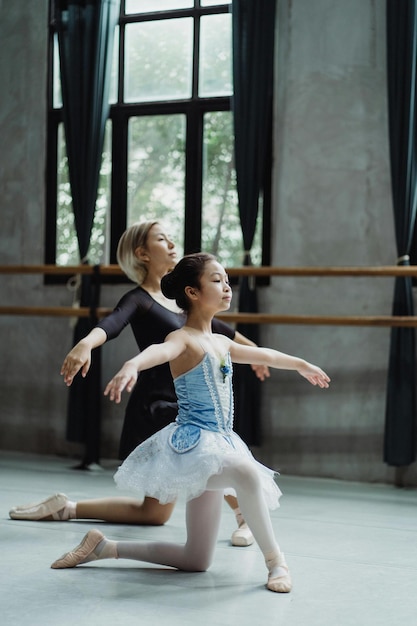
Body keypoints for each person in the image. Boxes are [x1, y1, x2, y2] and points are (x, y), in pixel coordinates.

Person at [50, 252, 330, 593]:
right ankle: (277, 562)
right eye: (217, 280)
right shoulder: (182, 338)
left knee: (195, 559)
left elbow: (267, 355)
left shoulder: (222, 342)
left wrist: (303, 364)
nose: (227, 286)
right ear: (193, 292)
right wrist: (132, 366)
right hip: (194, 447)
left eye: (227, 280)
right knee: (244, 472)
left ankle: (104, 548)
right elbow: (157, 352)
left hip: (221, 445)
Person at [9, 221, 269, 547]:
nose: (172, 244)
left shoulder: (184, 303)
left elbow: (223, 334)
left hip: (183, 406)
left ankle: (66, 508)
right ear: (142, 253)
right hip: (159, 408)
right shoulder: (140, 299)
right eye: (162, 239)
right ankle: (244, 512)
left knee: (154, 514)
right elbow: (112, 323)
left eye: (172, 238)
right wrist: (86, 344)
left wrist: (258, 355)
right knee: (212, 451)